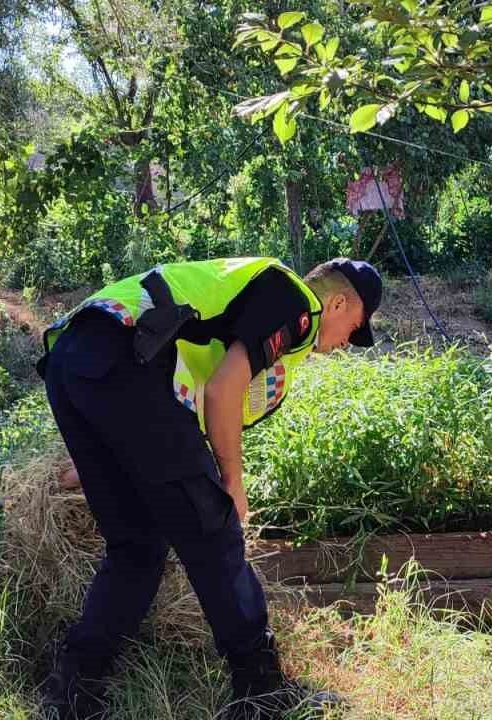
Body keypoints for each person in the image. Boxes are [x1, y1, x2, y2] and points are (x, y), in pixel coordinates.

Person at [36, 257, 382, 720]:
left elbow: (167, 412)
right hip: (121, 365)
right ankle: (262, 692)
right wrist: (232, 483)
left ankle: (72, 690)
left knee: (136, 547)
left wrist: (97, 462)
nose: (343, 345)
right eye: (353, 330)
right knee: (214, 533)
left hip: (73, 362)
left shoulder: (239, 292)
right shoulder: (296, 301)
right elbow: (222, 391)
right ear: (339, 302)